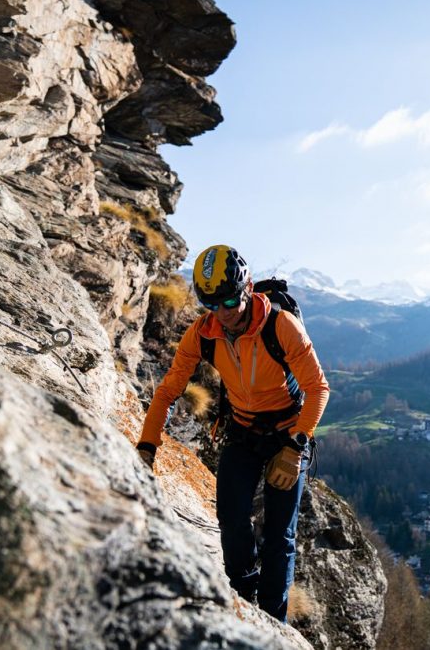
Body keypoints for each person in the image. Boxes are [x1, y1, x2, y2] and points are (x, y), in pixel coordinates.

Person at [136, 244, 330, 623]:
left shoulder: (281, 326)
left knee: (279, 537)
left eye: (228, 301)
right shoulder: (203, 333)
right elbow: (169, 389)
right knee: (230, 517)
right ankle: (242, 601)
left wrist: (295, 448)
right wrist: (146, 446)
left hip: (287, 434)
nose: (222, 314)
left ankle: (274, 621)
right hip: (242, 430)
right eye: (211, 304)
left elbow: (318, 388)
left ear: (247, 288)